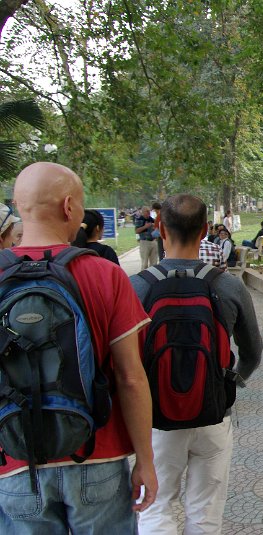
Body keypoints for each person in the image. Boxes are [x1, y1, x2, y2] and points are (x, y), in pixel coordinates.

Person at [0, 162, 157, 533]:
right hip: (97, 456)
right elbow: (131, 378)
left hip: (15, 458)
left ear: (19, 206)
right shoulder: (104, 273)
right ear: (70, 207)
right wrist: (146, 461)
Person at [132, 194, 262, 535]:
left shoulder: (137, 288)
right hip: (213, 414)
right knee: (205, 512)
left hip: (155, 419)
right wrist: (228, 382)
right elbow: (253, 352)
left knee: (155, 507)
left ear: (160, 228)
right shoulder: (227, 285)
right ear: (205, 230)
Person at [135, 204, 159, 269]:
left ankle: (153, 277)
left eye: (149, 211)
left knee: (154, 263)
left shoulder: (152, 220)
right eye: (147, 211)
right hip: (144, 242)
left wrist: (155, 227)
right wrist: (145, 227)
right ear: (143, 212)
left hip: (153, 242)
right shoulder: (139, 219)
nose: (148, 212)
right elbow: (137, 231)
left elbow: (157, 228)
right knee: (144, 263)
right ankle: (143, 277)